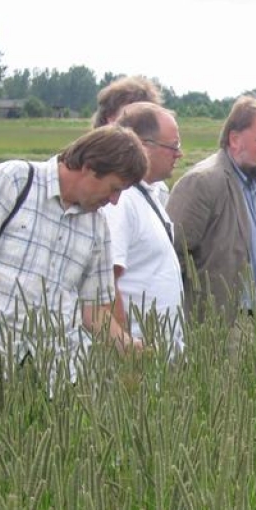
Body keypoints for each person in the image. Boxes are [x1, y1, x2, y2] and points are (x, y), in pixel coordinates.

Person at [0, 125, 149, 375]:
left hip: (56, 374)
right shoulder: (13, 180)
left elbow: (94, 309)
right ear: (90, 167)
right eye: (114, 188)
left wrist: (128, 347)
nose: (114, 200)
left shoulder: (98, 225)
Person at [166, 95, 256, 327]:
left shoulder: (252, 181)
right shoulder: (204, 182)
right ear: (235, 139)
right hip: (220, 327)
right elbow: (170, 258)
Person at [100, 102, 184, 352]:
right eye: (173, 147)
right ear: (143, 146)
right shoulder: (120, 201)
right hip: (138, 354)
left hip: (160, 354)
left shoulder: (150, 194)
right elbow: (106, 283)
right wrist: (126, 348)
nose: (179, 154)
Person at [92, 75, 171, 205]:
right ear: (110, 120)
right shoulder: (91, 175)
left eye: (147, 120)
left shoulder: (158, 189)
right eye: (132, 116)